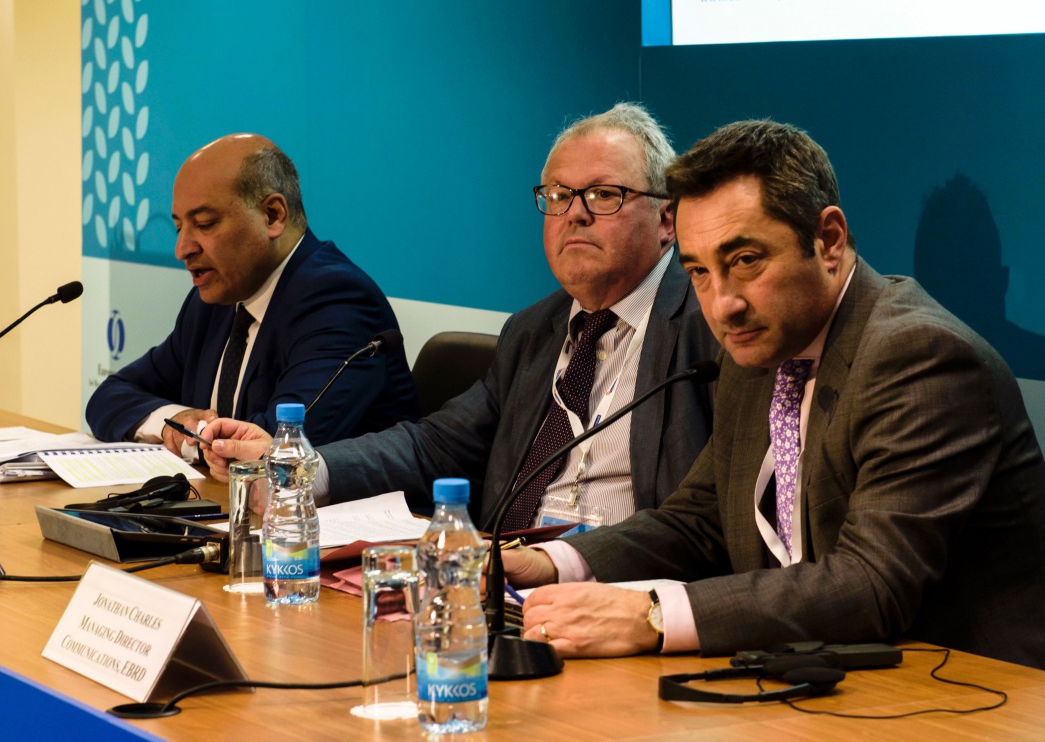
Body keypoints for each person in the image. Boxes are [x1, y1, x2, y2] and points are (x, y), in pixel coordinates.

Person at [505, 120, 1045, 669]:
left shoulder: (919, 357)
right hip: (827, 678)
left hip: (974, 691)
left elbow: (871, 582)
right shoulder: (760, 348)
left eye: (745, 261)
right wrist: (549, 562)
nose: (723, 304)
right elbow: (700, 519)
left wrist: (650, 615)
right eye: (699, 271)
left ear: (828, 241)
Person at [199, 103, 719, 531]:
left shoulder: (707, 329)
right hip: (503, 588)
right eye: (558, 196)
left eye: (604, 195)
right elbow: (434, 446)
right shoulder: (534, 330)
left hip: (620, 596)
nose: (574, 213)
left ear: (667, 219)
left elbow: (704, 521)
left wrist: (566, 567)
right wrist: (302, 466)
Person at [85, 133, 420, 454]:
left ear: (273, 215)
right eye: (178, 227)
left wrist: (195, 437)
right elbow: (110, 396)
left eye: (204, 223)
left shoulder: (337, 300)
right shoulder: (215, 300)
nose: (182, 248)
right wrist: (171, 423)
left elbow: (277, 445)